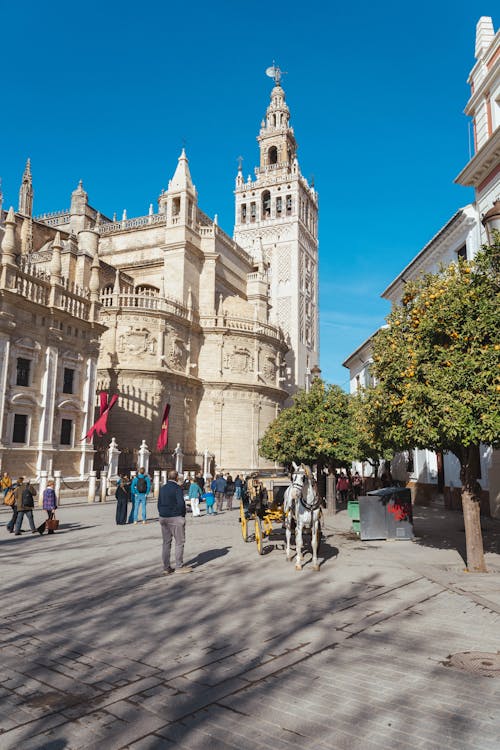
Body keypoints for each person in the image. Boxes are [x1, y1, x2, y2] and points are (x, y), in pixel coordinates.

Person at [158, 470, 192, 574]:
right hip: (175, 517)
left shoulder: (162, 488)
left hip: (163, 517)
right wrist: (182, 515)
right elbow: (181, 504)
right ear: (177, 478)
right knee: (179, 542)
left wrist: (162, 513)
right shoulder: (177, 488)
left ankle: (166, 567)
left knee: (166, 543)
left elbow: (159, 503)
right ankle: (179, 566)